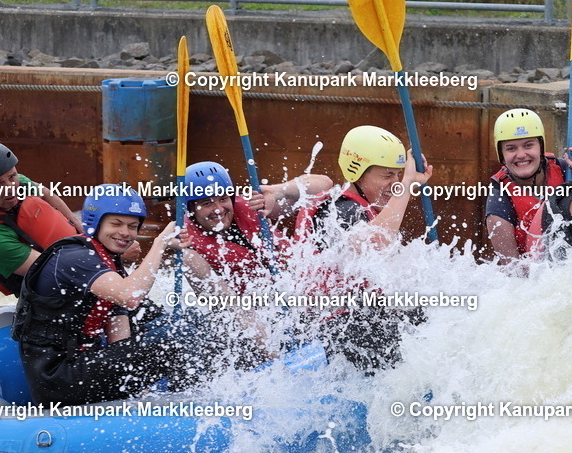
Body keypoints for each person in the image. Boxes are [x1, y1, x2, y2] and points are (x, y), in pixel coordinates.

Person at [12, 185, 217, 406]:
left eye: (132, 226)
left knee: (191, 320)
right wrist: (160, 243)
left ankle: (200, 396)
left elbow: (119, 334)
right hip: (58, 381)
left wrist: (137, 384)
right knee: (180, 337)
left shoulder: (108, 260)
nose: (126, 233)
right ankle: (190, 409)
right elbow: (130, 296)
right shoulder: (75, 257)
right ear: (95, 223)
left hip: (83, 364)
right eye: (116, 224)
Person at [293, 125, 433, 373]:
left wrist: (409, 184)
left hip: (363, 316)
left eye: (398, 175)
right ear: (356, 172)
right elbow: (374, 243)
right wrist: (409, 182)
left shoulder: (363, 208)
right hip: (344, 326)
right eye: (387, 175)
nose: (395, 183)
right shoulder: (338, 211)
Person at [181, 161, 332, 291]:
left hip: (300, 284)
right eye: (207, 203)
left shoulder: (253, 206)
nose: (219, 210)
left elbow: (325, 184)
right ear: (191, 210)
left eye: (223, 199)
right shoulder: (187, 244)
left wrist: (276, 191)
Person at [0, 141, 83, 296]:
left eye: (12, 176)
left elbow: (45, 192)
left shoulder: (18, 183)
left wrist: (76, 223)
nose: (10, 187)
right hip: (49, 301)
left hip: (70, 262)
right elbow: (55, 270)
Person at [484, 108, 569, 263]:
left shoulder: (566, 169)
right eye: (511, 148)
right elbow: (513, 273)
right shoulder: (498, 202)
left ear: (541, 147)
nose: (521, 155)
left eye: (528, 145)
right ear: (501, 154)